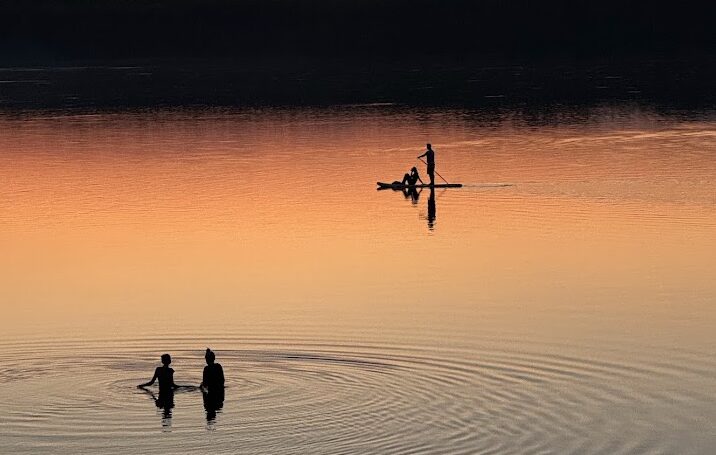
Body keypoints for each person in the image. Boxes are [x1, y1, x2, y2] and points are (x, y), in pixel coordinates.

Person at [200, 348, 225, 422]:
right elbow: (222, 380)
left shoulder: (206, 369)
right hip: (219, 389)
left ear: (206, 359)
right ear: (214, 358)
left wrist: (201, 387)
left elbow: (205, 383)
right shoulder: (219, 366)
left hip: (211, 390)